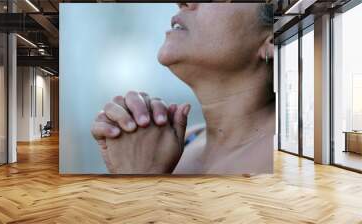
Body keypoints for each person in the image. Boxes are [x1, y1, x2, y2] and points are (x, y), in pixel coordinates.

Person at [91, 3, 275, 175]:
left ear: (272, 40)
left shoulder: (290, 157)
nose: (182, 2)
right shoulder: (166, 143)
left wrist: (140, 175)